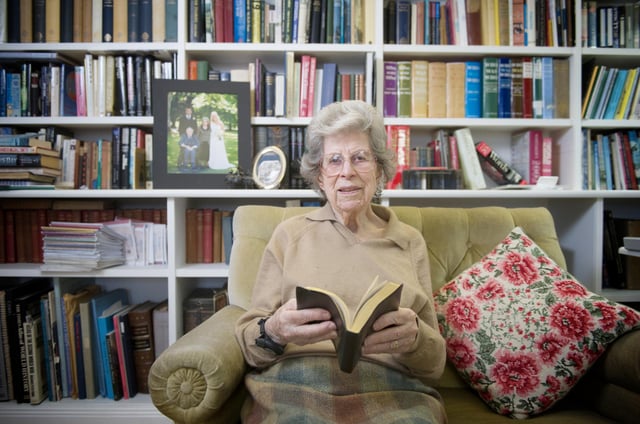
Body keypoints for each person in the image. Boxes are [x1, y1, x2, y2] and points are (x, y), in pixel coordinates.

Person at [234, 100, 447, 423]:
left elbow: (434, 365)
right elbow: (251, 345)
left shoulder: (408, 241)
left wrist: (415, 337)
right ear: (320, 177)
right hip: (295, 381)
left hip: (392, 388)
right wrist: (276, 330)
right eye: (334, 160)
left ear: (379, 170)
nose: (346, 171)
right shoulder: (289, 235)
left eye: (359, 158)